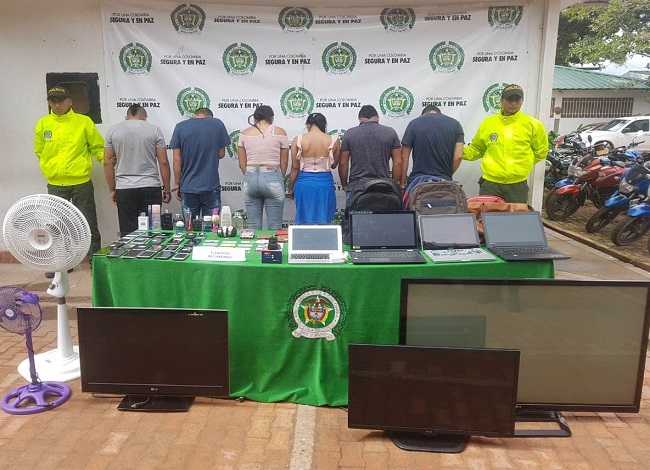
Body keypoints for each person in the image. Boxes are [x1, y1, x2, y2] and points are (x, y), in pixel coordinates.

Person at [34, 86, 104, 274]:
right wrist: (50, 167)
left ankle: (95, 262)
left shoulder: (84, 122)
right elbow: (39, 151)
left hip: (81, 183)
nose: (57, 105)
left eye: (61, 101)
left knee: (88, 222)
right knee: (56, 225)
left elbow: (98, 147)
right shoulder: (43, 123)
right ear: (49, 102)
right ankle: (61, 263)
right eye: (53, 101)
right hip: (56, 184)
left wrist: (109, 163)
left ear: (70, 102)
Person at [463, 84, 549, 203]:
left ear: (522, 101)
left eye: (517, 99)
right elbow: (477, 149)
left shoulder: (533, 124)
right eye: (509, 99)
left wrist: (524, 164)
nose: (513, 103)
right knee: (488, 215)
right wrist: (459, 152)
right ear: (501, 100)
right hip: (490, 185)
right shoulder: (488, 123)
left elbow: (541, 151)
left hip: (518, 186)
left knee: (516, 216)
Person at [103, 104, 171, 236]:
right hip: (150, 186)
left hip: (125, 188)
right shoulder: (154, 130)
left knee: (128, 234)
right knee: (153, 231)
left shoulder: (113, 131)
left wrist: (112, 189)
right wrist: (167, 190)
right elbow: (163, 162)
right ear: (145, 117)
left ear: (126, 117)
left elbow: (107, 162)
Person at [170, 107, 230, 221]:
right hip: (210, 185)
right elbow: (221, 154)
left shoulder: (180, 127)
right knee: (212, 226)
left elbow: (177, 159)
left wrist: (177, 184)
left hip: (188, 186)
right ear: (210, 116)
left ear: (195, 114)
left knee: (190, 226)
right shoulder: (217, 124)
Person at [237, 105, 289, 230]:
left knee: (253, 227)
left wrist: (251, 174)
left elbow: (242, 164)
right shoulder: (280, 132)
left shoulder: (244, 133)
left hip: (250, 178)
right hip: (273, 177)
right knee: (275, 226)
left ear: (255, 117)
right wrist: (278, 177)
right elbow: (284, 162)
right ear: (271, 117)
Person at [287, 113, 341, 224]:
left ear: (308, 124)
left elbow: (295, 168)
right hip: (324, 183)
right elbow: (334, 165)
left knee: (304, 217)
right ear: (323, 124)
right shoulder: (334, 140)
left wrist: (290, 188)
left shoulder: (298, 139)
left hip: (304, 183)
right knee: (324, 216)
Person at [338, 105, 402, 195]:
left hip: (356, 188)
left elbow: (343, 164)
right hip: (383, 187)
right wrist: (393, 185)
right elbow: (398, 163)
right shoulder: (390, 132)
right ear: (377, 118)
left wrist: (344, 185)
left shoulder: (349, 134)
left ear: (359, 119)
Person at [400, 106, 464, 189]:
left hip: (417, 183)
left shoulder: (414, 123)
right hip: (444, 183)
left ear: (422, 115)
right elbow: (458, 156)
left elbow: (404, 156)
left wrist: (402, 183)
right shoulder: (456, 124)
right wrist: (447, 175)